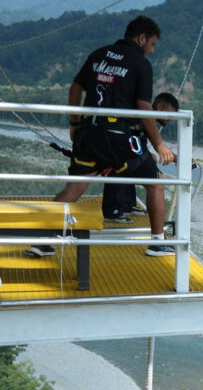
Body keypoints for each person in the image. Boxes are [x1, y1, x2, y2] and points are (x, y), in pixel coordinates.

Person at [25, 15, 176, 258]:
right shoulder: (140, 64)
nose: (152, 50)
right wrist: (160, 144)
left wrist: (75, 123)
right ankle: (158, 242)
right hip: (119, 138)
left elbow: (76, 88)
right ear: (141, 38)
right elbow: (143, 107)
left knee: (75, 187)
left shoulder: (98, 54)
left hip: (89, 134)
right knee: (155, 184)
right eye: (152, 44)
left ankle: (43, 241)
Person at [101, 92, 180, 223]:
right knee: (138, 168)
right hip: (114, 150)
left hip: (125, 151)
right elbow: (156, 144)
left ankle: (127, 204)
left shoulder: (148, 120)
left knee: (137, 162)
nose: (170, 119)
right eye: (169, 114)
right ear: (160, 107)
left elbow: (157, 145)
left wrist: (180, 160)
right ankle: (111, 212)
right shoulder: (146, 117)